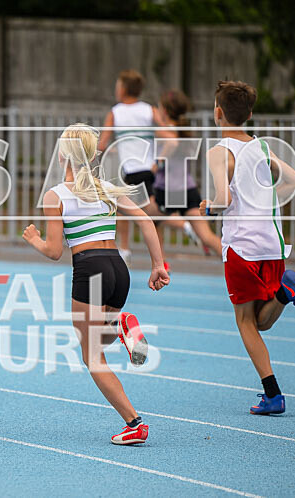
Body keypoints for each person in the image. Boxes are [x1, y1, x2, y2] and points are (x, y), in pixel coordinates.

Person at [23, 123, 170, 445]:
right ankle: (122, 325)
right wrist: (158, 264)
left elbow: (53, 251)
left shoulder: (57, 194)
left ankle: (134, 423)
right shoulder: (106, 188)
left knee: (92, 357)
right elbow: (145, 220)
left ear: (63, 155)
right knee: (98, 344)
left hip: (90, 270)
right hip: (119, 269)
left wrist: (34, 239)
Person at [199, 80, 295, 415]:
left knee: (244, 322)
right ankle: (286, 290)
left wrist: (208, 207)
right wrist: (264, 203)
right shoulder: (262, 148)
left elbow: (223, 200)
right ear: (250, 114)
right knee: (260, 322)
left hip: (242, 246)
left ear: (218, 113)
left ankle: (274, 395)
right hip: (272, 241)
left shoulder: (219, 151)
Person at [98, 70, 191, 270]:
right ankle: (133, 252)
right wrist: (156, 160)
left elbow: (102, 143)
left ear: (122, 89)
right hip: (146, 169)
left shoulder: (116, 112)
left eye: (117, 86)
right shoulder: (148, 109)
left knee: (139, 211)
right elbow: (171, 137)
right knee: (128, 209)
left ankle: (182, 225)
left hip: (133, 170)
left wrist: (88, 149)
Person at [152, 89, 222, 256]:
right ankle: (233, 263)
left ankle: (162, 262)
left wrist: (156, 165)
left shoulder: (165, 131)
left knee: (143, 215)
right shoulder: (182, 128)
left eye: (159, 108)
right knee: (207, 237)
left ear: (165, 111)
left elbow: (172, 144)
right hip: (187, 189)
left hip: (169, 190)